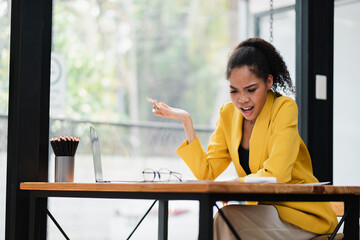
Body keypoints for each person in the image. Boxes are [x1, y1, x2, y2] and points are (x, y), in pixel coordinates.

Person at [147, 37, 338, 240]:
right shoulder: (228, 114)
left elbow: (278, 173)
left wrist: (236, 183)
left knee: (227, 220)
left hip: (301, 215)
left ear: (269, 82)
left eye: (251, 89)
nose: (242, 99)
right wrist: (186, 121)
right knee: (227, 220)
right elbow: (206, 172)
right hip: (263, 214)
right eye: (234, 91)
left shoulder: (284, 108)